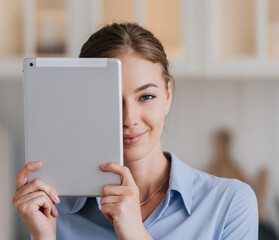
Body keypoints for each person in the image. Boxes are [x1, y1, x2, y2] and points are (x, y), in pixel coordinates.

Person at [12, 22, 258, 240]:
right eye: (111, 101)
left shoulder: (229, 203)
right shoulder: (54, 209)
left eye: (146, 96)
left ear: (168, 96)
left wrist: (136, 234)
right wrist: (42, 237)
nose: (129, 118)